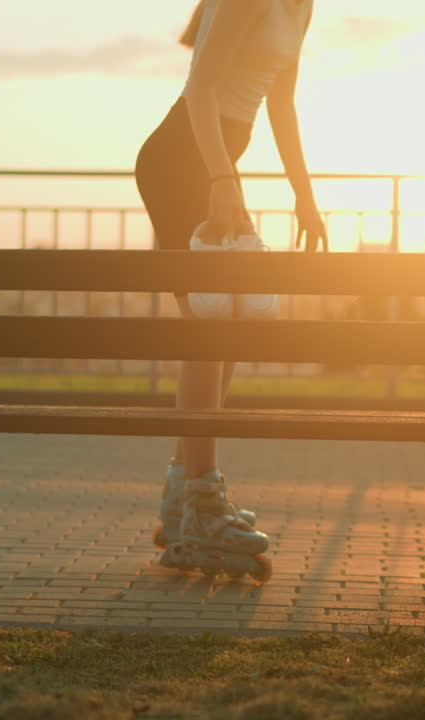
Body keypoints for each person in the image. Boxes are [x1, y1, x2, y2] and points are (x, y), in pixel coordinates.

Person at [135, 0, 326, 582]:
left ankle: (184, 500)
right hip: (180, 163)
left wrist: (305, 194)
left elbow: (282, 103)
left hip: (215, 165)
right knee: (208, 332)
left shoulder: (303, 6)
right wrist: (223, 180)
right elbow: (200, 90)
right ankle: (203, 504)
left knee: (228, 327)